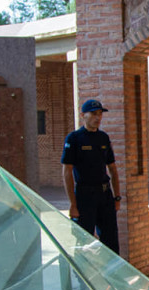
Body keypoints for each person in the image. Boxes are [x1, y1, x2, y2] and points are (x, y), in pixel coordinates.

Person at [61, 99, 121, 254]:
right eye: (94, 114)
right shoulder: (74, 138)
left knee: (111, 241)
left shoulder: (103, 138)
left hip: (105, 194)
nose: (98, 117)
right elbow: (67, 171)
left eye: (100, 114)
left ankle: (111, 277)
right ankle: (82, 277)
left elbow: (112, 169)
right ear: (83, 115)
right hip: (85, 195)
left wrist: (117, 197)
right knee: (83, 240)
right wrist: (73, 204)